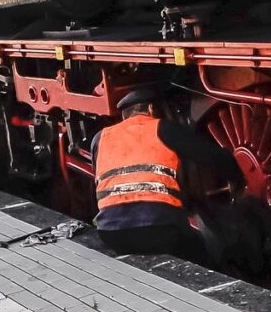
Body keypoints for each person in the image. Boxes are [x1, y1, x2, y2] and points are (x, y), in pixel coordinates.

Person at [85, 75, 231, 265]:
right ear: (151, 109)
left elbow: (98, 178)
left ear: (123, 115)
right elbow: (211, 155)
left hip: (111, 233)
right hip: (160, 231)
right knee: (207, 255)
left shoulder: (100, 138)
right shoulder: (162, 128)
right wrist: (237, 180)